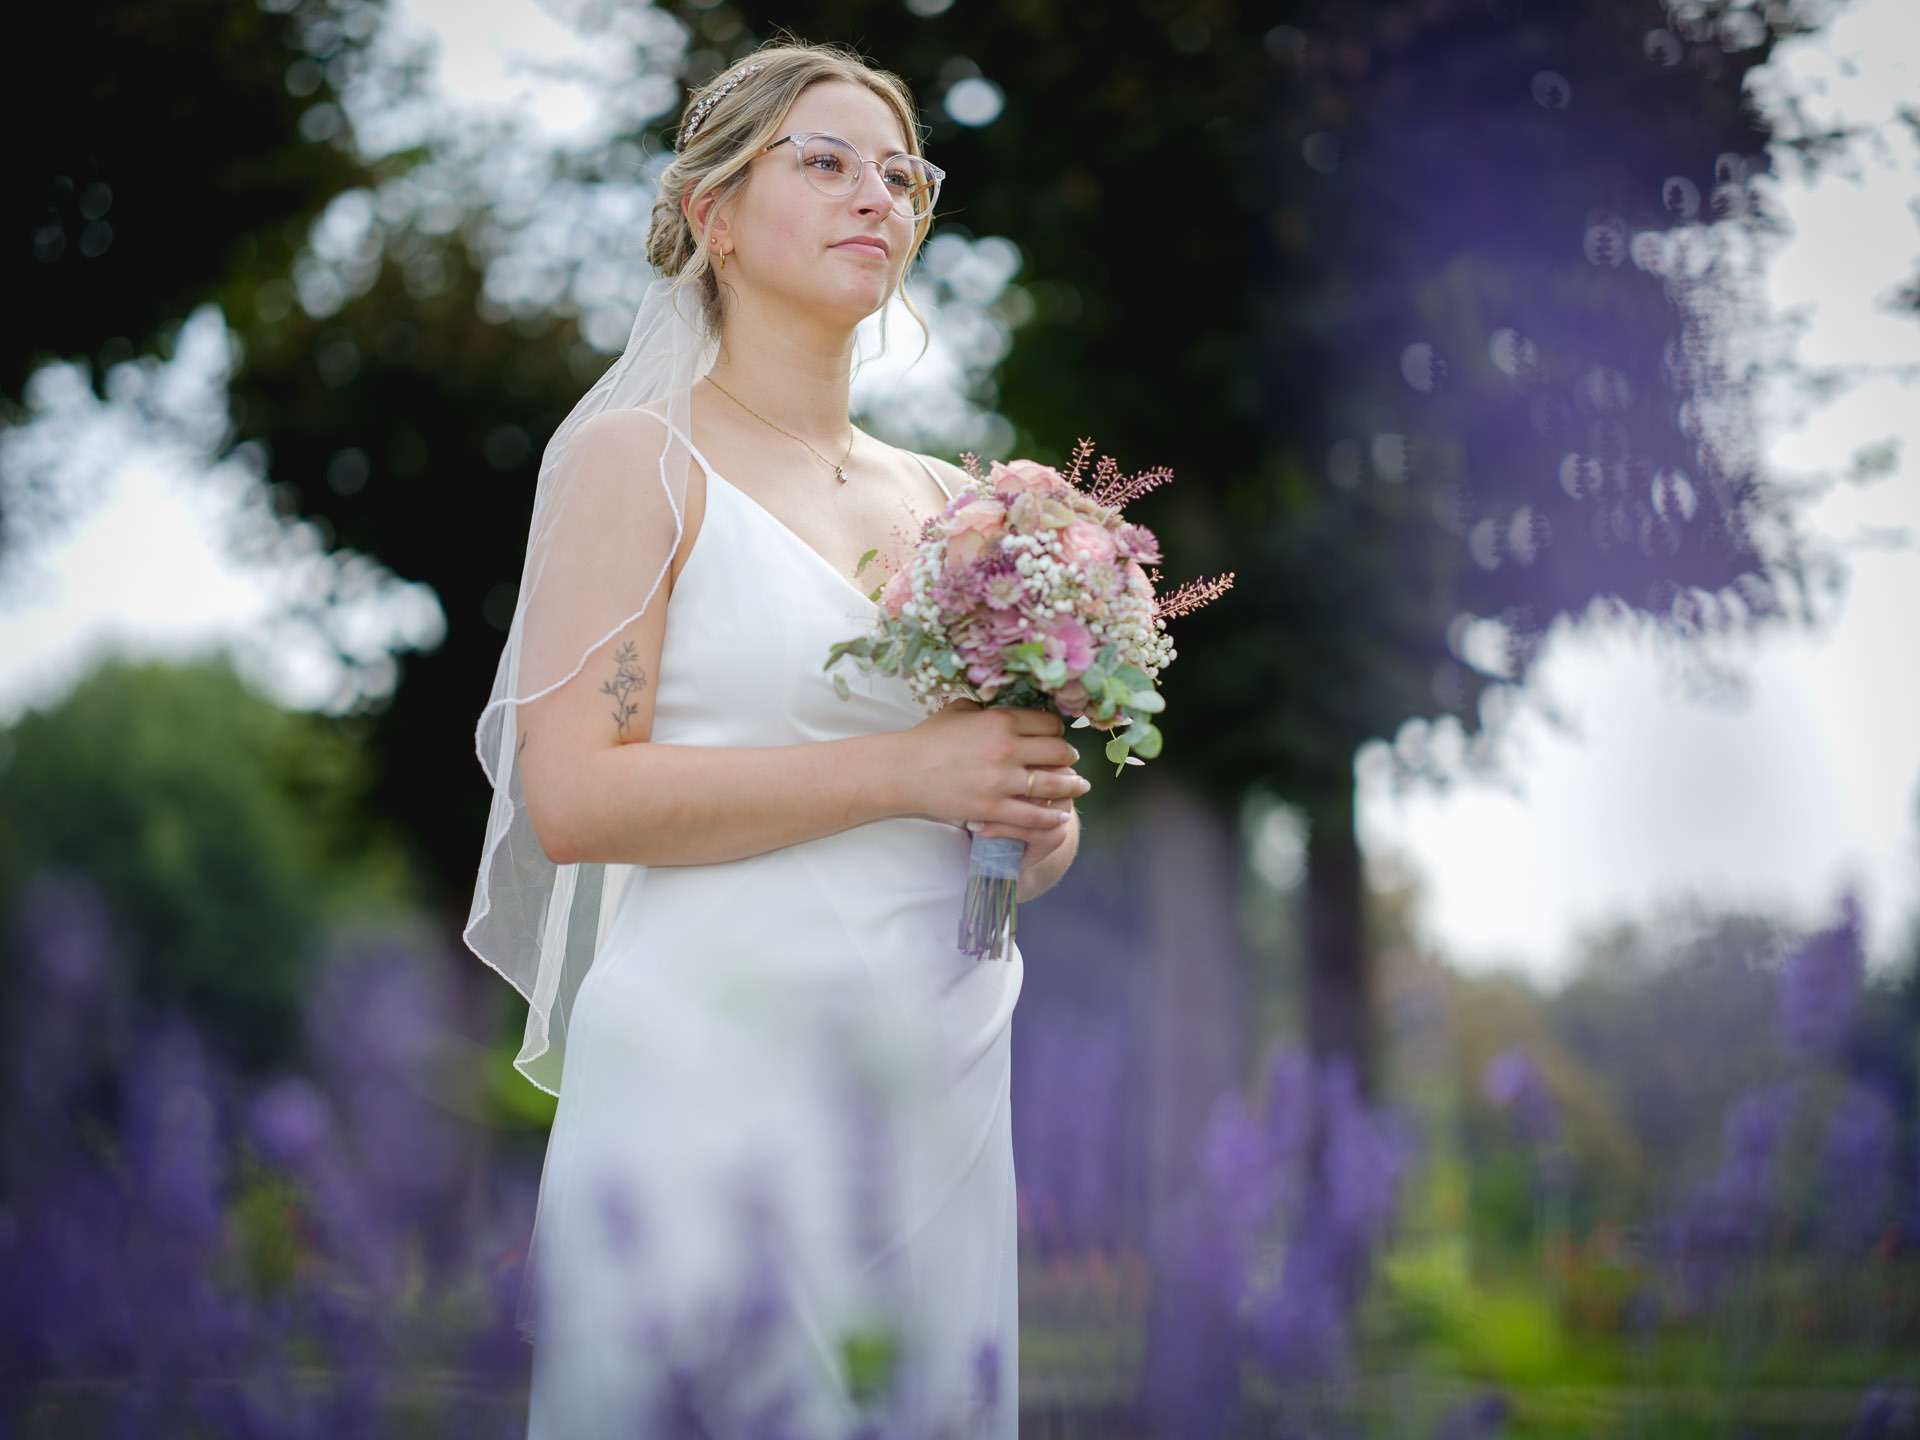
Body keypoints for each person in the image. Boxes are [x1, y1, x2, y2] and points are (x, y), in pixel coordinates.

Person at [465, 38, 1089, 1438]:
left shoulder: (959, 505)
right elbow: (572, 795)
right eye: (824, 160)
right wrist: (906, 772)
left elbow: (982, 801)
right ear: (715, 217)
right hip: (711, 1066)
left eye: (901, 172)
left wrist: (1033, 821)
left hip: (930, 1070)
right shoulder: (642, 458)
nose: (878, 194)